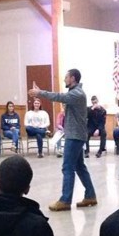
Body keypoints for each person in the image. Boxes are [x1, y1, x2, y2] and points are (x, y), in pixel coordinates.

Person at [29, 69, 98, 211]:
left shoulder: (77, 94)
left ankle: (65, 200)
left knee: (67, 167)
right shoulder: (77, 93)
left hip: (75, 136)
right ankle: (90, 195)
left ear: (73, 78)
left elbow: (59, 97)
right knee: (79, 166)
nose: (64, 80)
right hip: (76, 134)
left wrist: (40, 93)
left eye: (66, 77)